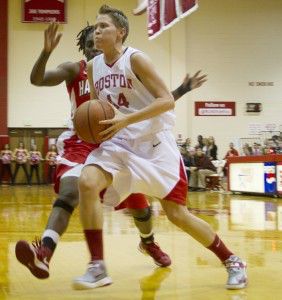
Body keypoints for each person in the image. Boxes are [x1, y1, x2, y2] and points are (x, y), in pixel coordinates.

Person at [73, 5, 247, 291]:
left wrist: (127, 119)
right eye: (96, 27)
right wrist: (93, 128)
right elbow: (98, 107)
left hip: (153, 145)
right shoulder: (93, 67)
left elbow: (166, 100)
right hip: (118, 144)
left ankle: (232, 260)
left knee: (177, 215)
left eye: (103, 26)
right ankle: (97, 266)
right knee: (87, 181)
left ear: (121, 32)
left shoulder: (136, 59)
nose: (97, 31)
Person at [15, 22, 206, 279]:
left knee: (141, 209)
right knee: (71, 191)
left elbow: (155, 104)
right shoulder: (76, 69)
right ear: (84, 48)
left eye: (102, 36)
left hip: (119, 142)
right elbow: (37, 79)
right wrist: (46, 52)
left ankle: (148, 242)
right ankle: (44, 253)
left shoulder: (125, 70)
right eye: (91, 42)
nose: (97, 44)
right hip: (82, 144)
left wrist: (182, 89)